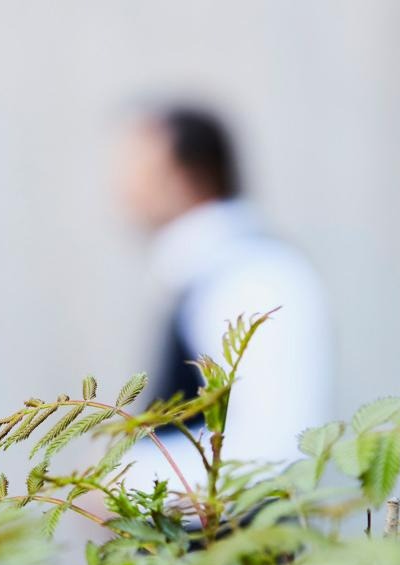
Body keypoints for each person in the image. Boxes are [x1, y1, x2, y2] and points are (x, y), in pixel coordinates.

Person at [115, 104, 331, 482]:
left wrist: (122, 483)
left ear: (187, 177)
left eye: (138, 170)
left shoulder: (257, 277)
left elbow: (277, 447)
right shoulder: (203, 273)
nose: (123, 189)